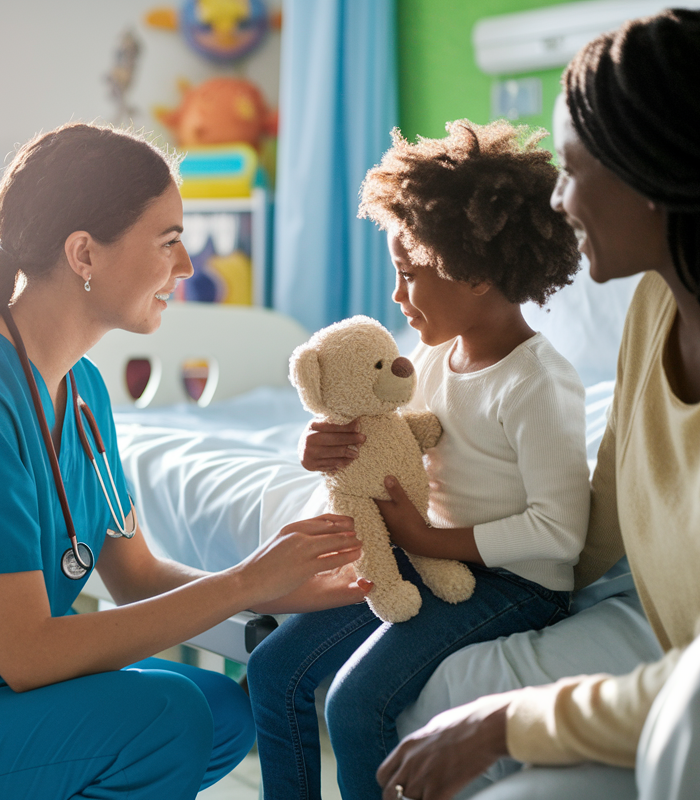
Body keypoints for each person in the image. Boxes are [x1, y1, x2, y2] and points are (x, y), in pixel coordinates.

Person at [0, 123, 371, 800]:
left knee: (219, 708)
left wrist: (283, 588)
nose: (188, 268)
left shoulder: (81, 391)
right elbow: (29, 656)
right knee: (164, 720)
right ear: (84, 252)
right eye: (169, 241)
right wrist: (243, 583)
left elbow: (136, 575)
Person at [378, 10, 700, 800]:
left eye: (572, 170)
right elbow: (593, 525)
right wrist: (452, 563)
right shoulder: (658, 309)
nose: (559, 202)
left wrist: (505, 720)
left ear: (654, 172)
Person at [246, 120, 588, 800]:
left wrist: (424, 537)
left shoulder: (536, 384)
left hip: (513, 583)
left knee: (354, 704)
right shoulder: (433, 353)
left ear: (479, 272)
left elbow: (560, 534)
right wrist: (323, 444)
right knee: (273, 672)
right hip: (424, 558)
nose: (398, 297)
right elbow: (384, 435)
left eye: (410, 276)